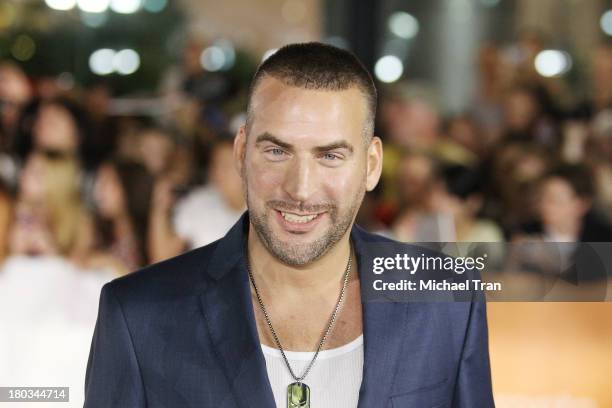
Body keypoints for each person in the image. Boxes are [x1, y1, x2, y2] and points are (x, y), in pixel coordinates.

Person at [84, 42, 494, 407]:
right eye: (278, 151)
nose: (300, 188)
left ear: (371, 165)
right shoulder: (140, 315)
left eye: (330, 156)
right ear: (242, 152)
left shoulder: (446, 299)